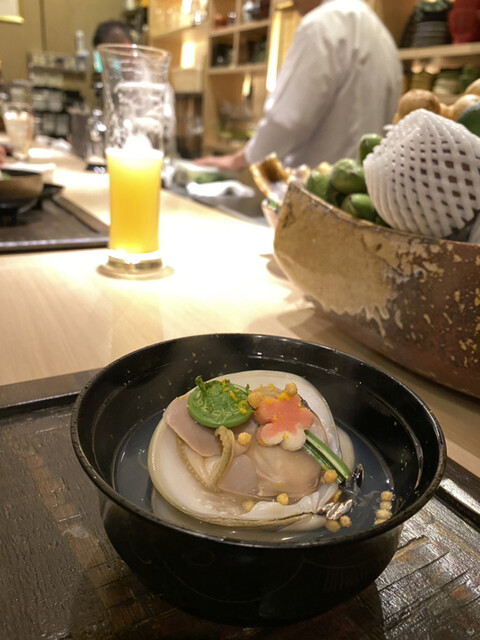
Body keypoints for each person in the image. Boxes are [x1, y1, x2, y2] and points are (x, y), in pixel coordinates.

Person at [196, 0, 402, 172]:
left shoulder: (321, 24)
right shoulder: (382, 35)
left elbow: (286, 121)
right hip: (358, 193)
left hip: (313, 191)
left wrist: (238, 160)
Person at [92, 20, 177, 163]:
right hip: (122, 166)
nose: (102, 65)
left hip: (152, 167)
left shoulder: (153, 85)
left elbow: (163, 137)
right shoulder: (119, 83)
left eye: (107, 57)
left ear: (125, 48)